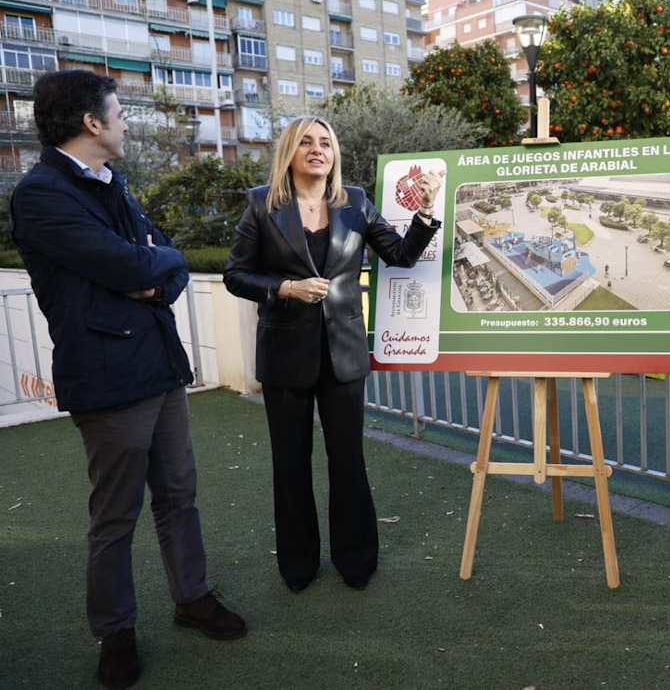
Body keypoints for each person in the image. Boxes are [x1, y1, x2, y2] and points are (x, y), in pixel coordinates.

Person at [9, 70, 246, 689]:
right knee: (116, 514)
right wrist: (148, 266)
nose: (124, 125)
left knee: (179, 494)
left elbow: (160, 261)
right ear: (92, 123)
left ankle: (192, 598)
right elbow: (129, 262)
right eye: (118, 115)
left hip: (159, 366)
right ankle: (115, 632)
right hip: (107, 377)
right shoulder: (41, 194)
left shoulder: (111, 182)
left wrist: (153, 270)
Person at [223, 117, 441, 594]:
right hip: (285, 354)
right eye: (306, 142)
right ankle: (298, 564)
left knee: (348, 462)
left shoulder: (355, 202)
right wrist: (286, 287)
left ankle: (356, 560)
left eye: (325, 142)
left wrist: (426, 211)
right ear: (289, 152)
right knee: (290, 465)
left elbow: (400, 256)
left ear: (334, 154)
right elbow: (236, 275)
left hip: (343, 354)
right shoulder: (262, 203)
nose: (317, 149)